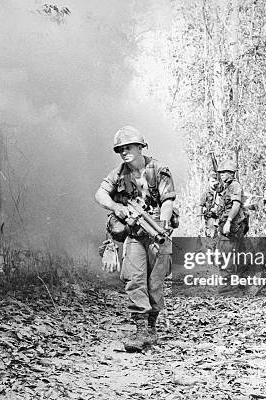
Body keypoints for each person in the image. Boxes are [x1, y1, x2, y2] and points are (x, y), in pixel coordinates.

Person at [95, 126, 176, 352]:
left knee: (155, 282)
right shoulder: (118, 173)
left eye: (129, 147)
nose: (124, 152)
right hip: (133, 234)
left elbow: (168, 199)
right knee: (134, 278)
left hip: (157, 231)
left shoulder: (158, 169)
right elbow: (100, 194)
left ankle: (152, 328)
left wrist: (164, 223)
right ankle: (141, 330)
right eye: (120, 149)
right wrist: (116, 207)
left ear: (140, 147)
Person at [215, 160, 248, 240]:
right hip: (227, 222)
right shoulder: (227, 187)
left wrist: (228, 222)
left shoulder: (235, 186)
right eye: (220, 172)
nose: (221, 174)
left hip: (234, 223)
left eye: (224, 172)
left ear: (231, 174)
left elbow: (236, 206)